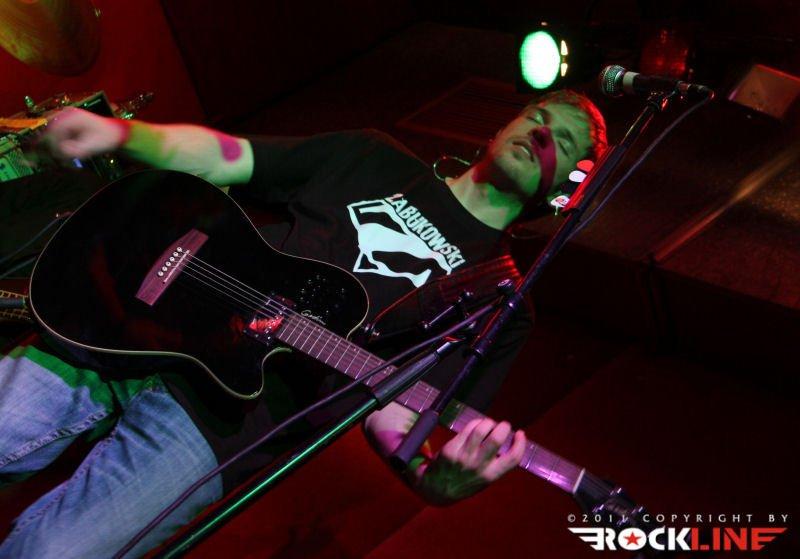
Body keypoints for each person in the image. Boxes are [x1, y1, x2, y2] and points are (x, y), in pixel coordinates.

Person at [0, 89, 607, 557]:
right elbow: (227, 156)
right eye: (538, 116)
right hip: (129, 318)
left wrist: (429, 478)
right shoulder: (373, 156)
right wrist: (118, 133)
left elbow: (396, 409)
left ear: (567, 188)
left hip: (219, 428)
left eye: (563, 140)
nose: (542, 132)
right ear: (502, 125)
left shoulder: (500, 299)